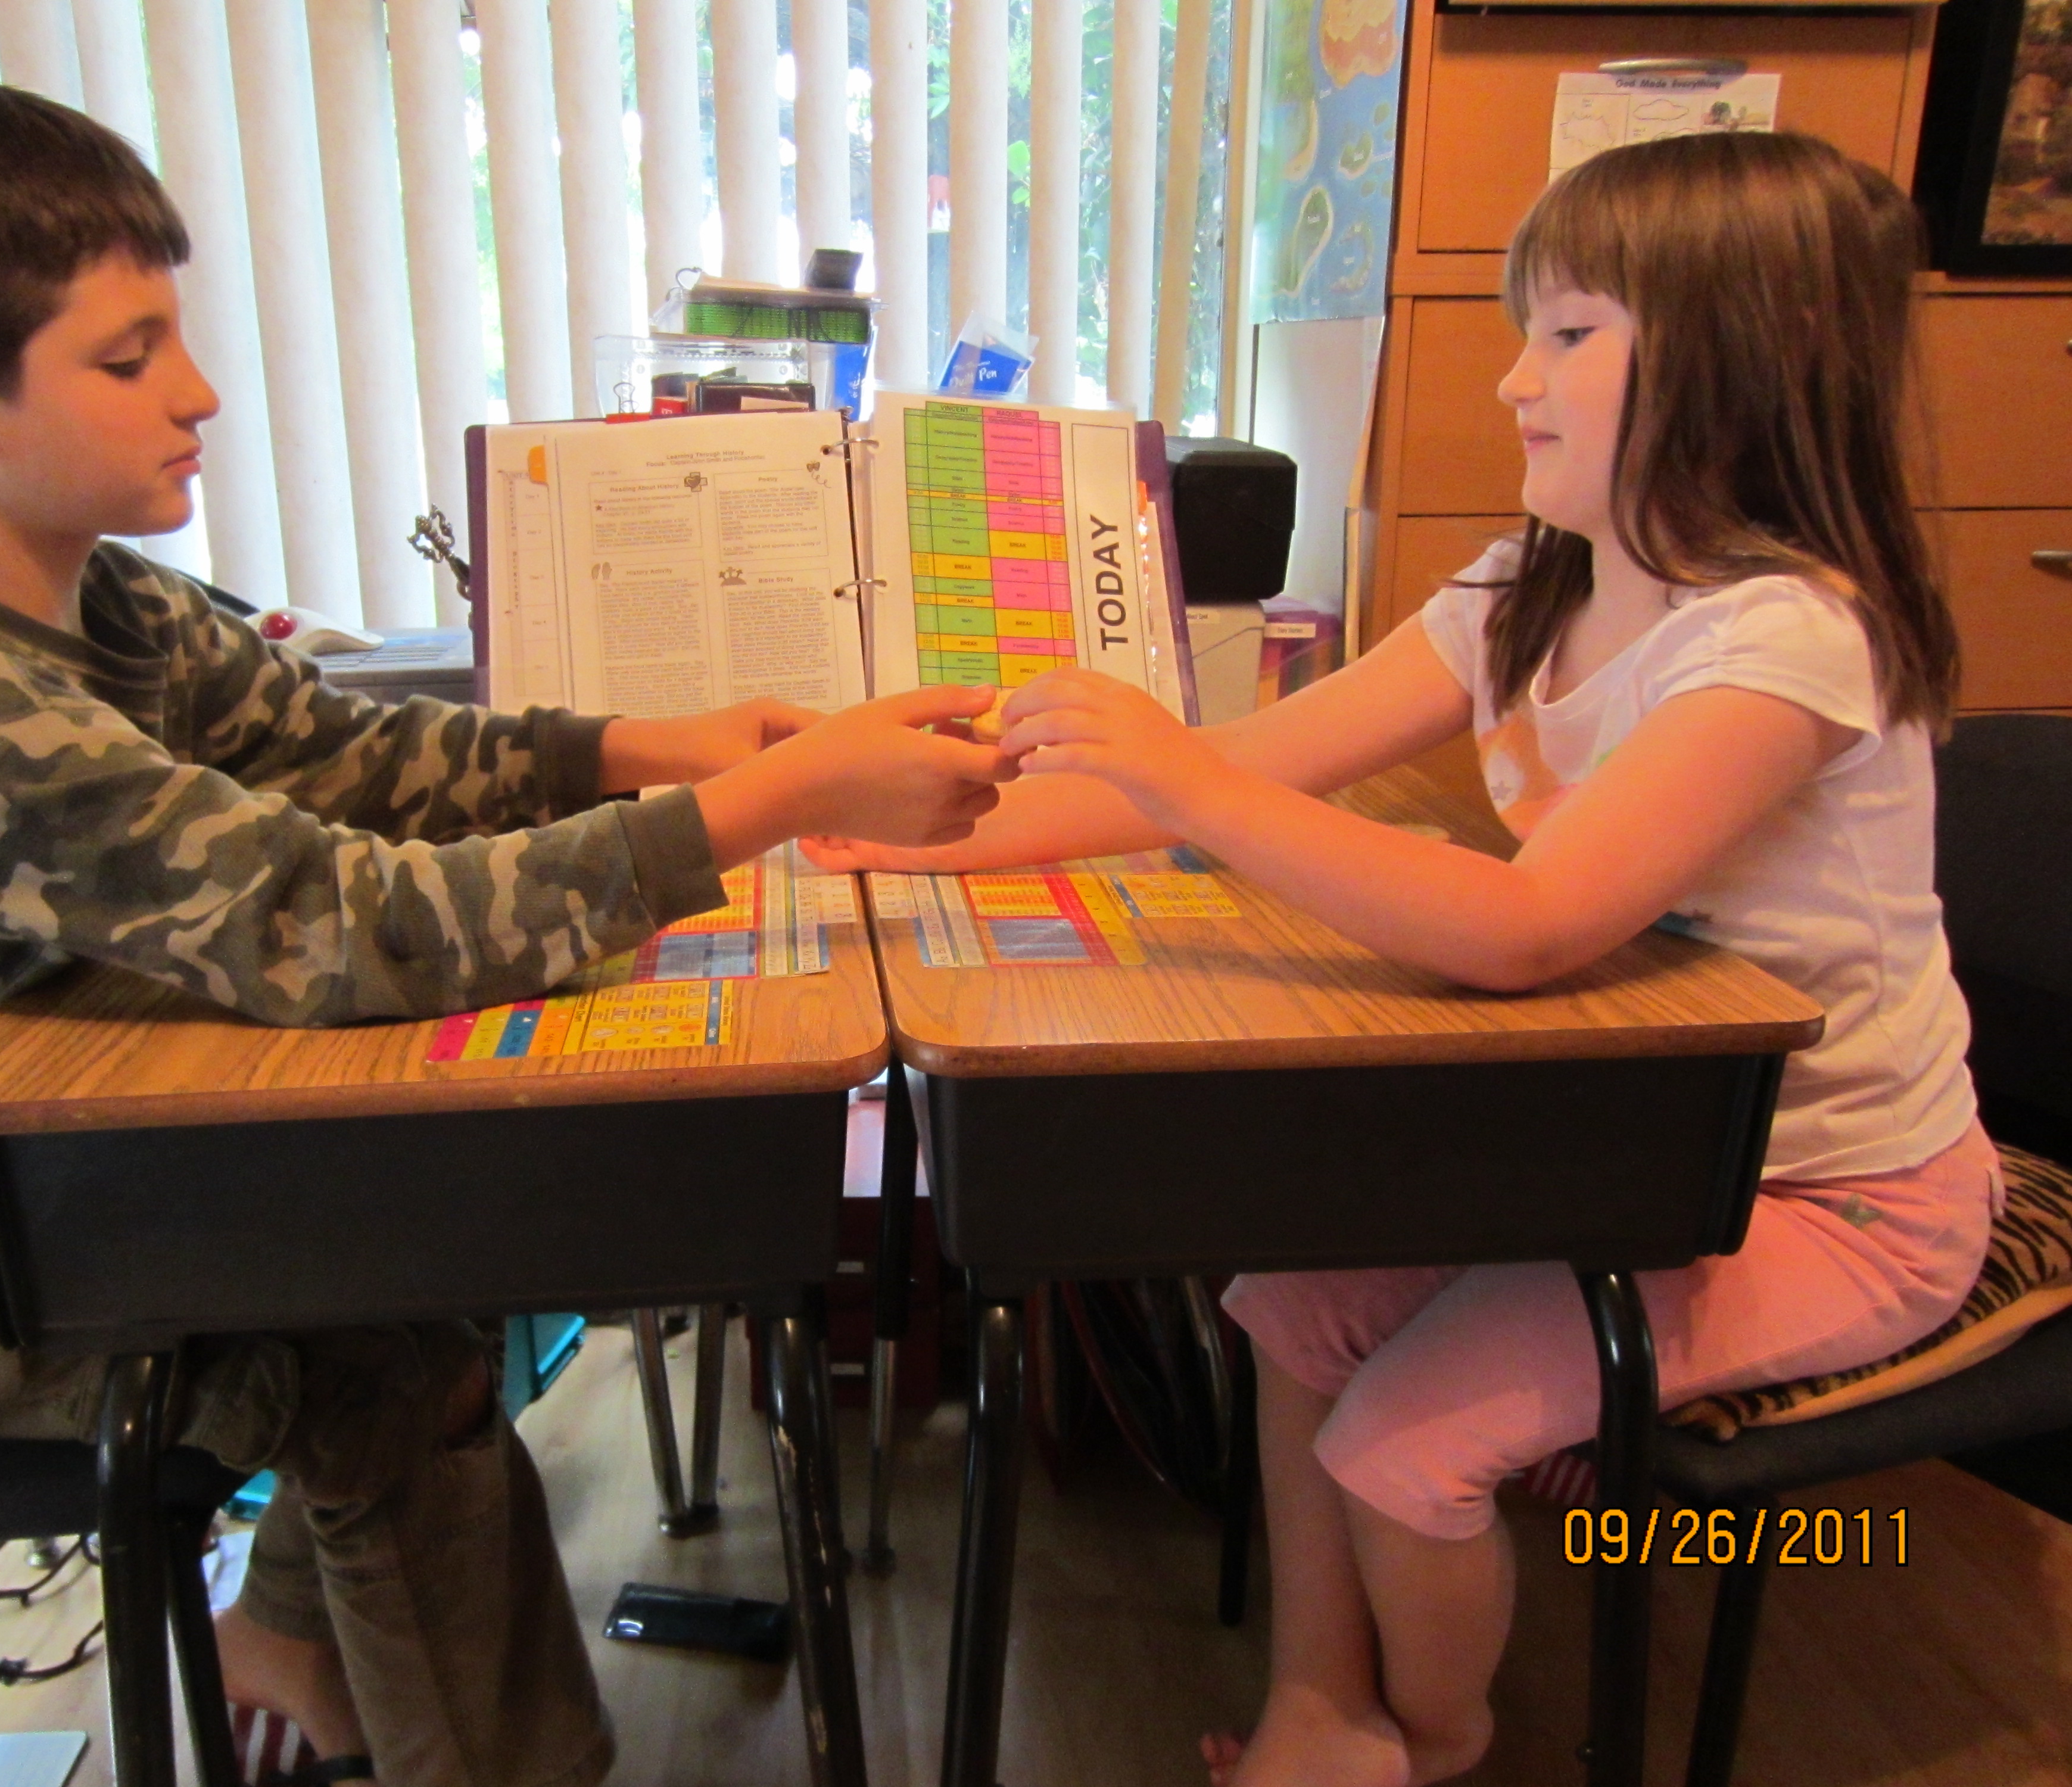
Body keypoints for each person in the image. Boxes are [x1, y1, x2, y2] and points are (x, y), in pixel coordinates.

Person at [0, 80, 1011, 1787]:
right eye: (128, 358)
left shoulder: (108, 600)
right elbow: (357, 927)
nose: (197, 392)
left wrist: (659, 747)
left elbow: (357, 759)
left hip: (49, 1213)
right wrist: (763, 805)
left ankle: (303, 1653)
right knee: (377, 1367)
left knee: (403, 1305)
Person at [808, 132, 1996, 1787]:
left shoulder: (1789, 635)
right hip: (1624, 1151)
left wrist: (1183, 778)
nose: (1515, 380)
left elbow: (1526, 927)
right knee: (1287, 1302)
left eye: (1570, 334)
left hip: (1833, 1196)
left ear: (1747, 358)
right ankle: (1321, 1697)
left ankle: (1434, 1741)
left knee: (1402, 1451)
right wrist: (914, 840)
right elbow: (1251, 771)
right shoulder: (1530, 586)